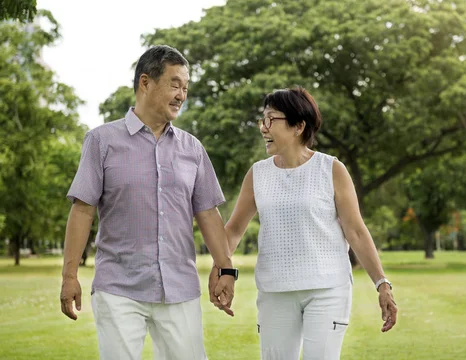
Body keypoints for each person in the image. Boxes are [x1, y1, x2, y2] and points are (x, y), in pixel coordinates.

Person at [60, 45, 237, 360]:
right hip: (119, 288)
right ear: (145, 83)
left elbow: (208, 214)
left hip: (179, 289)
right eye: (174, 84)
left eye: (185, 88)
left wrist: (226, 268)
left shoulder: (192, 149)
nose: (181, 94)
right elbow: (83, 210)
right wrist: (69, 276)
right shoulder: (101, 141)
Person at [209, 86, 397, 359]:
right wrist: (221, 267)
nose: (264, 127)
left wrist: (382, 283)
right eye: (263, 120)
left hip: (327, 289)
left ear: (298, 126)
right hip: (275, 291)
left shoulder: (331, 169)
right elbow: (235, 229)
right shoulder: (257, 174)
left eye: (272, 119)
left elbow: (355, 231)